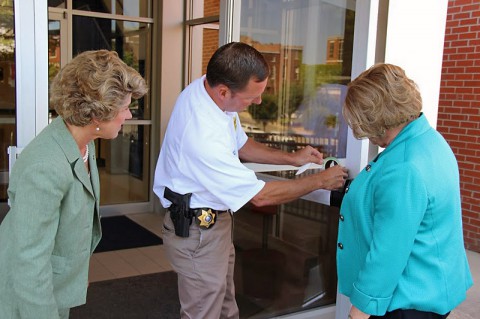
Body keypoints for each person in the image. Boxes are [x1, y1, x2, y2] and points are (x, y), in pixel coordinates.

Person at [153, 41, 348, 319]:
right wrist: (320, 181)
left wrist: (291, 158)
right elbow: (261, 195)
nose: (257, 101)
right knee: (203, 312)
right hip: (198, 233)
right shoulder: (201, 136)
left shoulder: (209, 89)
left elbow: (241, 145)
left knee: (225, 307)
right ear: (223, 92)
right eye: (251, 97)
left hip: (213, 226)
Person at [0, 50, 148, 319]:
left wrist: (75, 272)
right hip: (26, 301)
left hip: (54, 287)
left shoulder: (83, 142)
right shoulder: (44, 167)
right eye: (125, 107)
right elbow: (29, 264)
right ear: (97, 114)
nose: (128, 116)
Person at [338, 63, 473, 319]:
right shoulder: (429, 140)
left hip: (407, 304)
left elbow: (387, 254)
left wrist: (358, 313)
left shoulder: (404, 167)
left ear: (374, 118)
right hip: (432, 288)